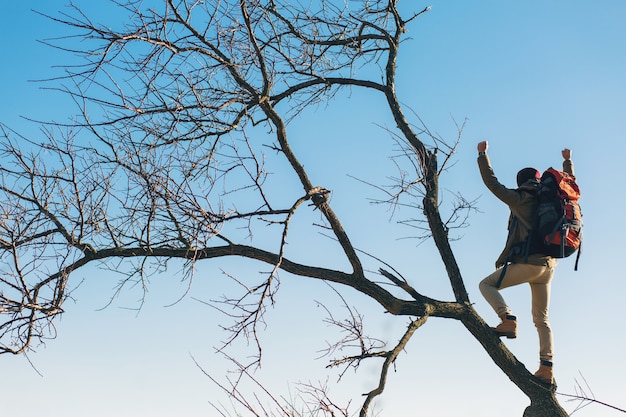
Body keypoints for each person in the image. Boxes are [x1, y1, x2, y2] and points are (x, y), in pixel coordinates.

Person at [476, 141, 574, 385]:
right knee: (542, 319)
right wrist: (567, 162)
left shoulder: (520, 198)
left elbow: (493, 184)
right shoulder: (550, 197)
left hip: (530, 264)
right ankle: (546, 368)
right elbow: (569, 184)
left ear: (521, 181)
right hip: (549, 268)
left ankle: (507, 319)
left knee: (486, 285)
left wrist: (482, 155)